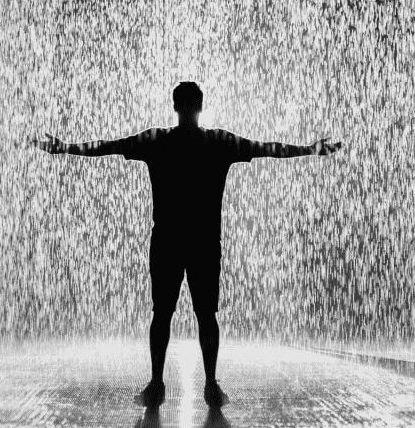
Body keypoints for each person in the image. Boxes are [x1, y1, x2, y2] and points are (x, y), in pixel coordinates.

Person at [32, 81, 342, 409]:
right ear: (201, 106)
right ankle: (210, 385)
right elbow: (268, 148)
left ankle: (156, 384)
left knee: (162, 313)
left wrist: (65, 147)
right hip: (205, 242)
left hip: (167, 240)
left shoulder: (157, 141)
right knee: (206, 315)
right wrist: (309, 149)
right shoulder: (219, 142)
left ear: (176, 106)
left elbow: (107, 146)